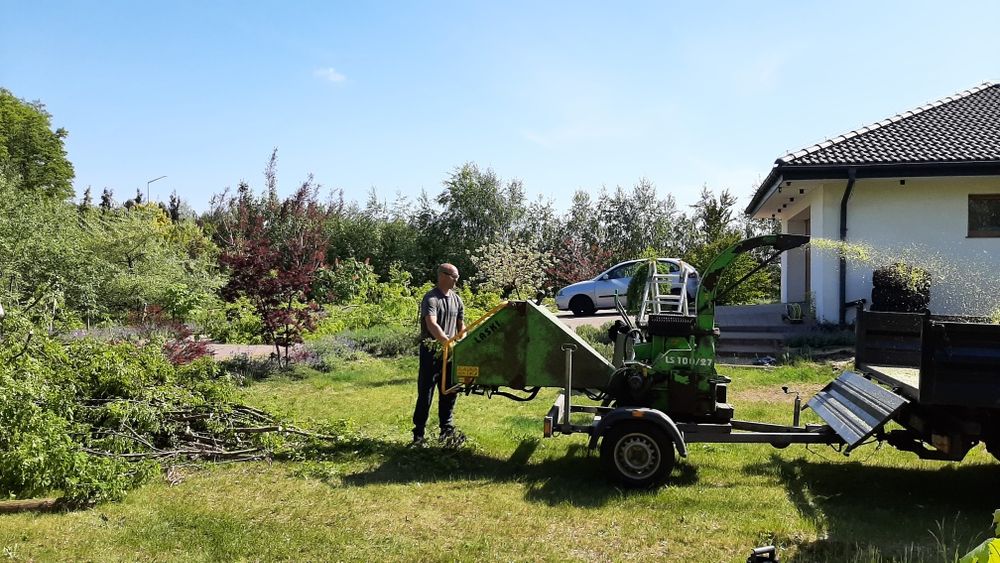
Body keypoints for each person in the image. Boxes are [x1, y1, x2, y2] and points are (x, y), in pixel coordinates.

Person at [411, 263, 466, 447]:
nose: (457, 280)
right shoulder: (431, 298)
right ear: (443, 275)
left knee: (450, 392)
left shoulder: (457, 300)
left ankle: (446, 430)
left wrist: (462, 341)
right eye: (454, 276)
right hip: (431, 353)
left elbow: (461, 325)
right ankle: (418, 434)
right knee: (426, 393)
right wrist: (446, 342)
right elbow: (431, 324)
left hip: (450, 355)